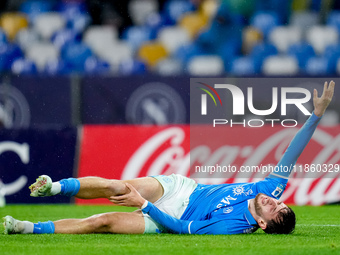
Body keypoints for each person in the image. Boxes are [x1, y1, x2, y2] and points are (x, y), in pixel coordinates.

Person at [3, 81, 335, 235]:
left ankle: (29, 228)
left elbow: (181, 228)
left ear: (262, 223)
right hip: (181, 189)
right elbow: (292, 154)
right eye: (282, 203)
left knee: (101, 222)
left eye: (276, 211)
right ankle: (54, 188)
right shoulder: (272, 190)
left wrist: (145, 207)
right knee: (115, 187)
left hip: (164, 220)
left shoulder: (233, 227)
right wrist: (316, 116)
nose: (278, 202)